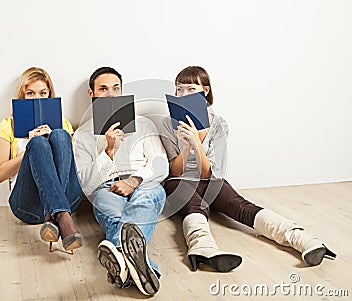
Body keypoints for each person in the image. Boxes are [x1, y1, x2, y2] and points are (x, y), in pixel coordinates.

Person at [159, 66, 336, 272]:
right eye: (179, 89)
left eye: (190, 89)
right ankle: (203, 249)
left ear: (205, 91)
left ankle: (303, 239)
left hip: (210, 180)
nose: (183, 94)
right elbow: (175, 171)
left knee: (241, 206)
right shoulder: (167, 123)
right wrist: (186, 146)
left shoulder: (218, 125)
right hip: (179, 182)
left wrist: (197, 145)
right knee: (196, 206)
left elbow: (210, 173)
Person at [74, 67, 168, 295]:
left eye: (116, 89)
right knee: (117, 216)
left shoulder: (144, 124)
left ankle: (119, 256)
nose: (111, 95)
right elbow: (85, 182)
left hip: (144, 183)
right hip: (106, 187)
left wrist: (134, 181)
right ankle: (144, 269)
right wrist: (108, 150)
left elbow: (160, 164)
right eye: (103, 89)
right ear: (92, 94)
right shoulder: (83, 134)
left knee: (146, 199)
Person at [0, 67, 84, 252]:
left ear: (50, 94)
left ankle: (54, 215)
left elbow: (73, 167)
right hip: (28, 205)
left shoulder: (63, 122)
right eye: (30, 93)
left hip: (67, 195)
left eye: (43, 93)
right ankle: (63, 217)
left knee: (59, 135)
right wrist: (30, 146)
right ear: (22, 96)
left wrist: (55, 141)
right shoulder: (7, 125)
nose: (37, 98)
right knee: (37, 144)